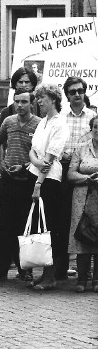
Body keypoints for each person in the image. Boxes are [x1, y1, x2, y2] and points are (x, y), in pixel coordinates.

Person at [0, 92, 41, 283]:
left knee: (25, 227)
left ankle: (24, 269)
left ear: (32, 104)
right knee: (4, 226)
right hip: (8, 181)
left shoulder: (39, 124)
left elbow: (41, 154)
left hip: (28, 181)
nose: (20, 105)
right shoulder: (8, 121)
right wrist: (1, 163)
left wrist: (25, 166)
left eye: (24, 102)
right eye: (17, 102)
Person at [27, 83, 70, 291]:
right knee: (39, 227)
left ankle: (50, 276)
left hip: (49, 181)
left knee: (49, 229)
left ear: (53, 99)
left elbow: (50, 159)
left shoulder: (60, 124)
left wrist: (38, 184)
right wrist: (35, 163)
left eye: (42, 97)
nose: (39, 101)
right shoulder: (42, 122)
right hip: (36, 176)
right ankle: (44, 273)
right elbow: (33, 152)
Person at [58, 77, 97, 279]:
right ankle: (62, 268)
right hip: (62, 170)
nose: (76, 94)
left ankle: (87, 273)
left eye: (80, 91)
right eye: (72, 91)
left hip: (86, 172)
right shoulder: (61, 117)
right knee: (65, 220)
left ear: (84, 92)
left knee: (88, 221)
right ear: (67, 95)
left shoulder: (93, 117)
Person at [67, 116, 98, 293]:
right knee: (81, 237)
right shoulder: (81, 148)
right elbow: (70, 175)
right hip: (82, 197)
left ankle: (96, 279)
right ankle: (81, 279)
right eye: (96, 127)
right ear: (91, 129)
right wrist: (87, 178)